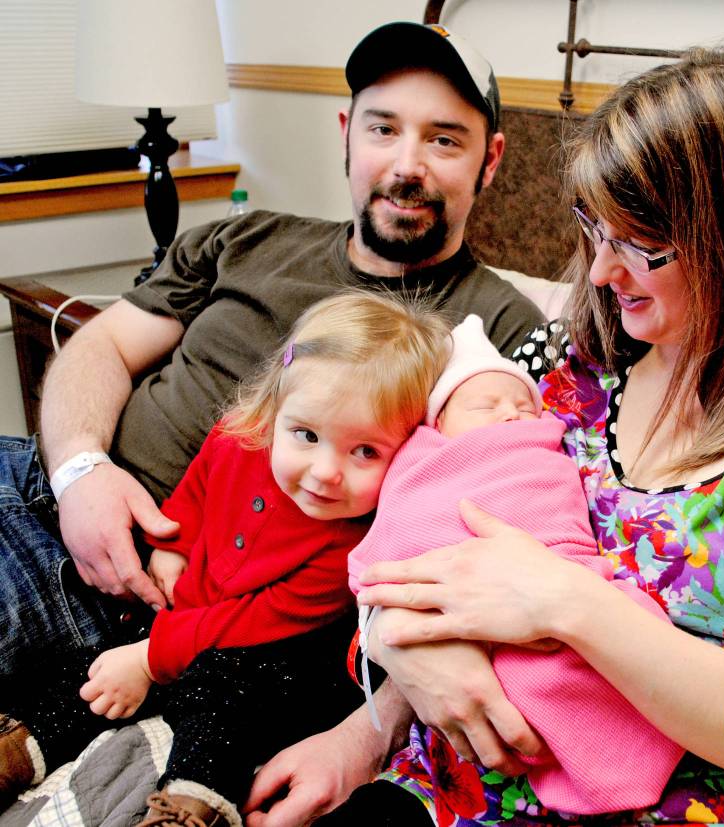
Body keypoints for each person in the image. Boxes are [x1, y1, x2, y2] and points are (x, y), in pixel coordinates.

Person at [248, 48, 724, 826]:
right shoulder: (556, 368)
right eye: (594, 229)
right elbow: (417, 531)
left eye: (642, 243)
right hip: (441, 789)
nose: (603, 270)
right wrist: (369, 720)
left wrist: (563, 599)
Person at [0, 21, 544, 681]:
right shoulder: (249, 237)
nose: (407, 166)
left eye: (444, 139)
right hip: (46, 476)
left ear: (491, 160)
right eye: (382, 129)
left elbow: (501, 514)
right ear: (346, 133)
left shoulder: (497, 336)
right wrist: (80, 472)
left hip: (134, 590)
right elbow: (104, 343)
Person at [0, 292, 451, 824]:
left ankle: (194, 803)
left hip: (273, 659)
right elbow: (198, 487)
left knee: (219, 695)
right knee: (93, 668)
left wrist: (149, 660)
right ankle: (21, 749)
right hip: (187, 615)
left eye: (365, 451)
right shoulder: (241, 437)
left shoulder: (352, 546)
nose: (325, 472)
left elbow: (250, 623)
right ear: (275, 410)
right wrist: (174, 545)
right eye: (306, 435)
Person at [346, 313, 684, 816]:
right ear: (437, 424)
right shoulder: (554, 354)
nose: (512, 416)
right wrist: (388, 639)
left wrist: (559, 596)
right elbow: (398, 552)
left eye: (526, 407)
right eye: (487, 407)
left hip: (581, 603)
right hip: (438, 760)